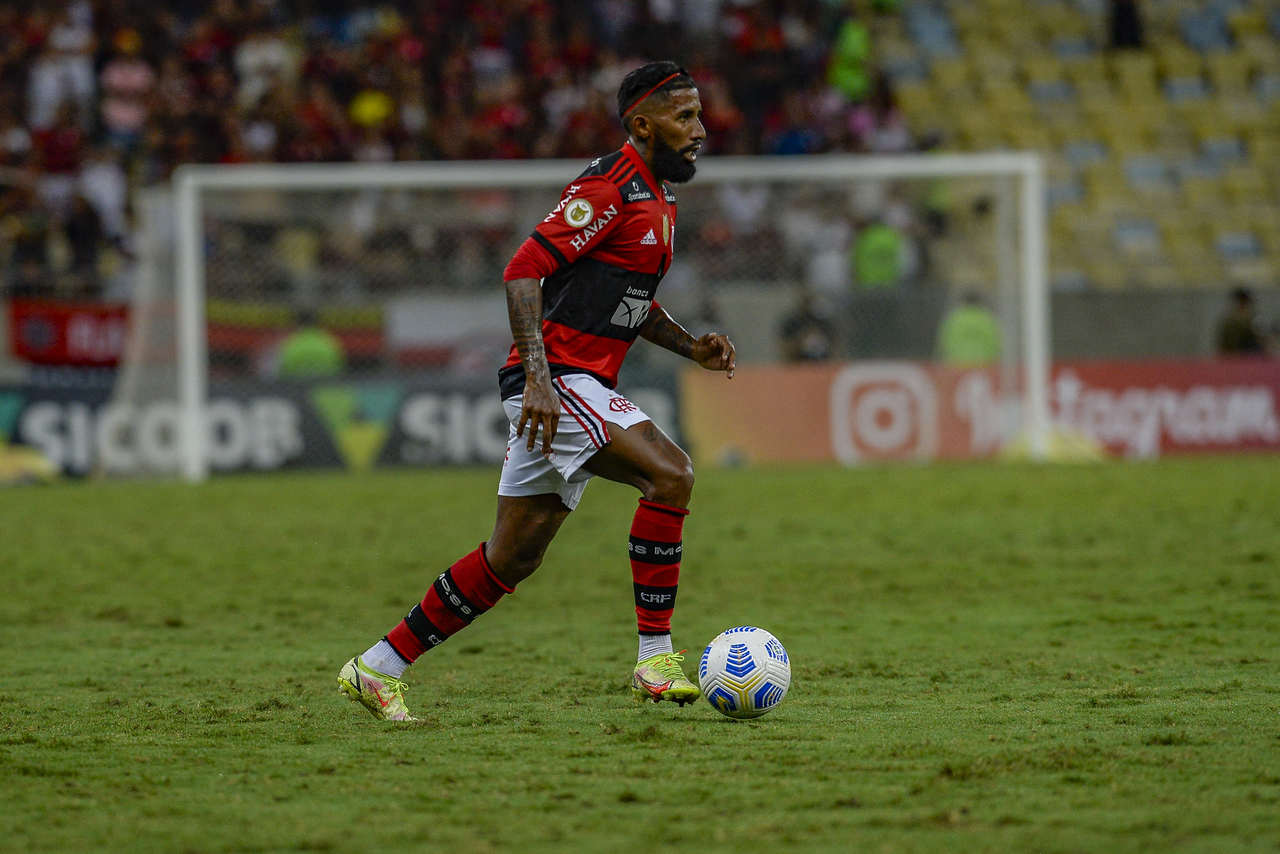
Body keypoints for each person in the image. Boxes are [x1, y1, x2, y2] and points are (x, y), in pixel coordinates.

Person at [338, 61, 736, 722]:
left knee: (512, 557)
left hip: (572, 382)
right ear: (643, 122)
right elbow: (523, 270)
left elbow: (631, 301)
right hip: (555, 377)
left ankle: (378, 667)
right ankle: (655, 658)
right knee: (672, 475)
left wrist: (690, 344)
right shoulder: (610, 187)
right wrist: (544, 381)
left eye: (699, 115)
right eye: (684, 116)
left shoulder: (659, 198)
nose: (700, 130)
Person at [936, 291, 1002, 365]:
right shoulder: (987, 319)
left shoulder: (954, 319)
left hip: (956, 365)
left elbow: (944, 342)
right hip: (983, 365)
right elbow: (995, 344)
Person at [1216, 286, 1268, 356]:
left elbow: (1263, 342)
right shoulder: (1229, 321)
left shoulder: (1255, 319)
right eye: (1241, 302)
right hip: (1233, 358)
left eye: (1245, 302)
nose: (1243, 305)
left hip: (1253, 358)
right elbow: (1223, 345)